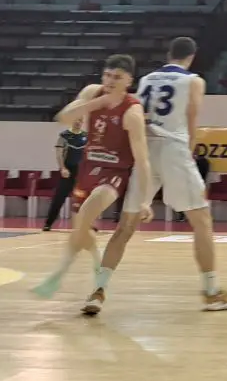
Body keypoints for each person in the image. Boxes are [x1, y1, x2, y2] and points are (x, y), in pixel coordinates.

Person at [85, 37, 227, 313]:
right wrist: (189, 151)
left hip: (145, 150)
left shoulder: (146, 79)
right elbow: (191, 120)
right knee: (202, 221)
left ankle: (97, 292)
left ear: (169, 54)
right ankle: (211, 292)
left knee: (125, 228)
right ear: (192, 57)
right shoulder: (193, 81)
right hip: (173, 151)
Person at [32, 54, 152, 312]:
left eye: (117, 77)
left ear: (129, 81)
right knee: (81, 228)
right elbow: (63, 117)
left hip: (114, 172)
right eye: (107, 75)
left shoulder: (132, 111)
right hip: (88, 169)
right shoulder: (92, 93)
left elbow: (143, 160)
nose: (110, 81)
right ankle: (97, 261)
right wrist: (97, 103)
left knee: (88, 211)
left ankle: (58, 275)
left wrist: (145, 199)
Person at [42, 120, 87, 231]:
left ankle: (86, 224)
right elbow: (59, 154)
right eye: (76, 120)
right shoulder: (64, 136)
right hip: (68, 171)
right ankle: (48, 223)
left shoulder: (86, 136)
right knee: (59, 198)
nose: (78, 122)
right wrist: (63, 168)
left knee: (84, 199)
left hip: (81, 172)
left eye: (80, 120)